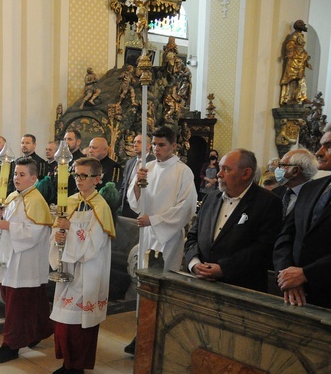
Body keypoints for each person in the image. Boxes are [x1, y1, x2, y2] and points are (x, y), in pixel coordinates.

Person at [125, 126, 197, 355]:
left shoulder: (183, 172)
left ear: (174, 145)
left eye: (161, 145)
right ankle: (141, 331)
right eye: (153, 145)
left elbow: (186, 208)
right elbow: (135, 203)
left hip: (168, 236)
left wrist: (154, 220)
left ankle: (158, 335)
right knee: (143, 283)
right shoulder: (148, 168)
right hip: (147, 234)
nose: (156, 149)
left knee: (161, 284)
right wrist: (137, 182)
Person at [49, 157, 115, 374]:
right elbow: (59, 230)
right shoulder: (69, 202)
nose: (78, 180)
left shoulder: (101, 207)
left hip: (88, 270)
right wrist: (58, 236)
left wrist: (71, 228)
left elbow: (94, 243)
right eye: (76, 175)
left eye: (83, 176)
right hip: (68, 266)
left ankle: (77, 366)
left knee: (78, 323)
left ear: (97, 179)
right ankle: (67, 362)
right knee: (62, 320)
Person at [185, 149, 282, 292]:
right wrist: (194, 263)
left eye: (226, 169)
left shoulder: (268, 202)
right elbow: (193, 235)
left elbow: (263, 248)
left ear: (246, 173)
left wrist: (224, 268)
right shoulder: (211, 198)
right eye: (220, 168)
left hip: (241, 287)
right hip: (201, 283)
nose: (219, 174)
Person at [0, 158, 54, 364]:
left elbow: (37, 232)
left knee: (18, 304)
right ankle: (37, 331)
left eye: (22, 174)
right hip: (11, 256)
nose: (16, 178)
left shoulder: (36, 200)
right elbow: (4, 222)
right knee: (25, 300)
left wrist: (7, 226)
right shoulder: (13, 196)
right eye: (16, 174)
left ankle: (11, 345)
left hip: (26, 261)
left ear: (34, 178)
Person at [274, 124, 331, 308]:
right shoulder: (310, 188)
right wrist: (287, 276)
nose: (319, 152)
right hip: (295, 295)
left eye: (328, 146)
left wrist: (306, 274)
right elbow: (286, 236)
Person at [272, 148, 318, 219]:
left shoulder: (318, 196)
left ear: (295, 171)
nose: (277, 169)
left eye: (282, 165)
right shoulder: (275, 192)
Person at [119, 134, 153, 218]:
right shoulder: (129, 162)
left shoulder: (154, 162)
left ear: (148, 146)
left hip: (144, 208)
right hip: (127, 207)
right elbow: (124, 185)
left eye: (139, 142)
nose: (135, 144)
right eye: (134, 142)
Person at [86, 137, 123, 209]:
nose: (90, 150)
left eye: (94, 148)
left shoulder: (114, 167)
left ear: (104, 150)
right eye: (90, 147)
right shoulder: (87, 166)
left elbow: (111, 193)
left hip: (102, 207)